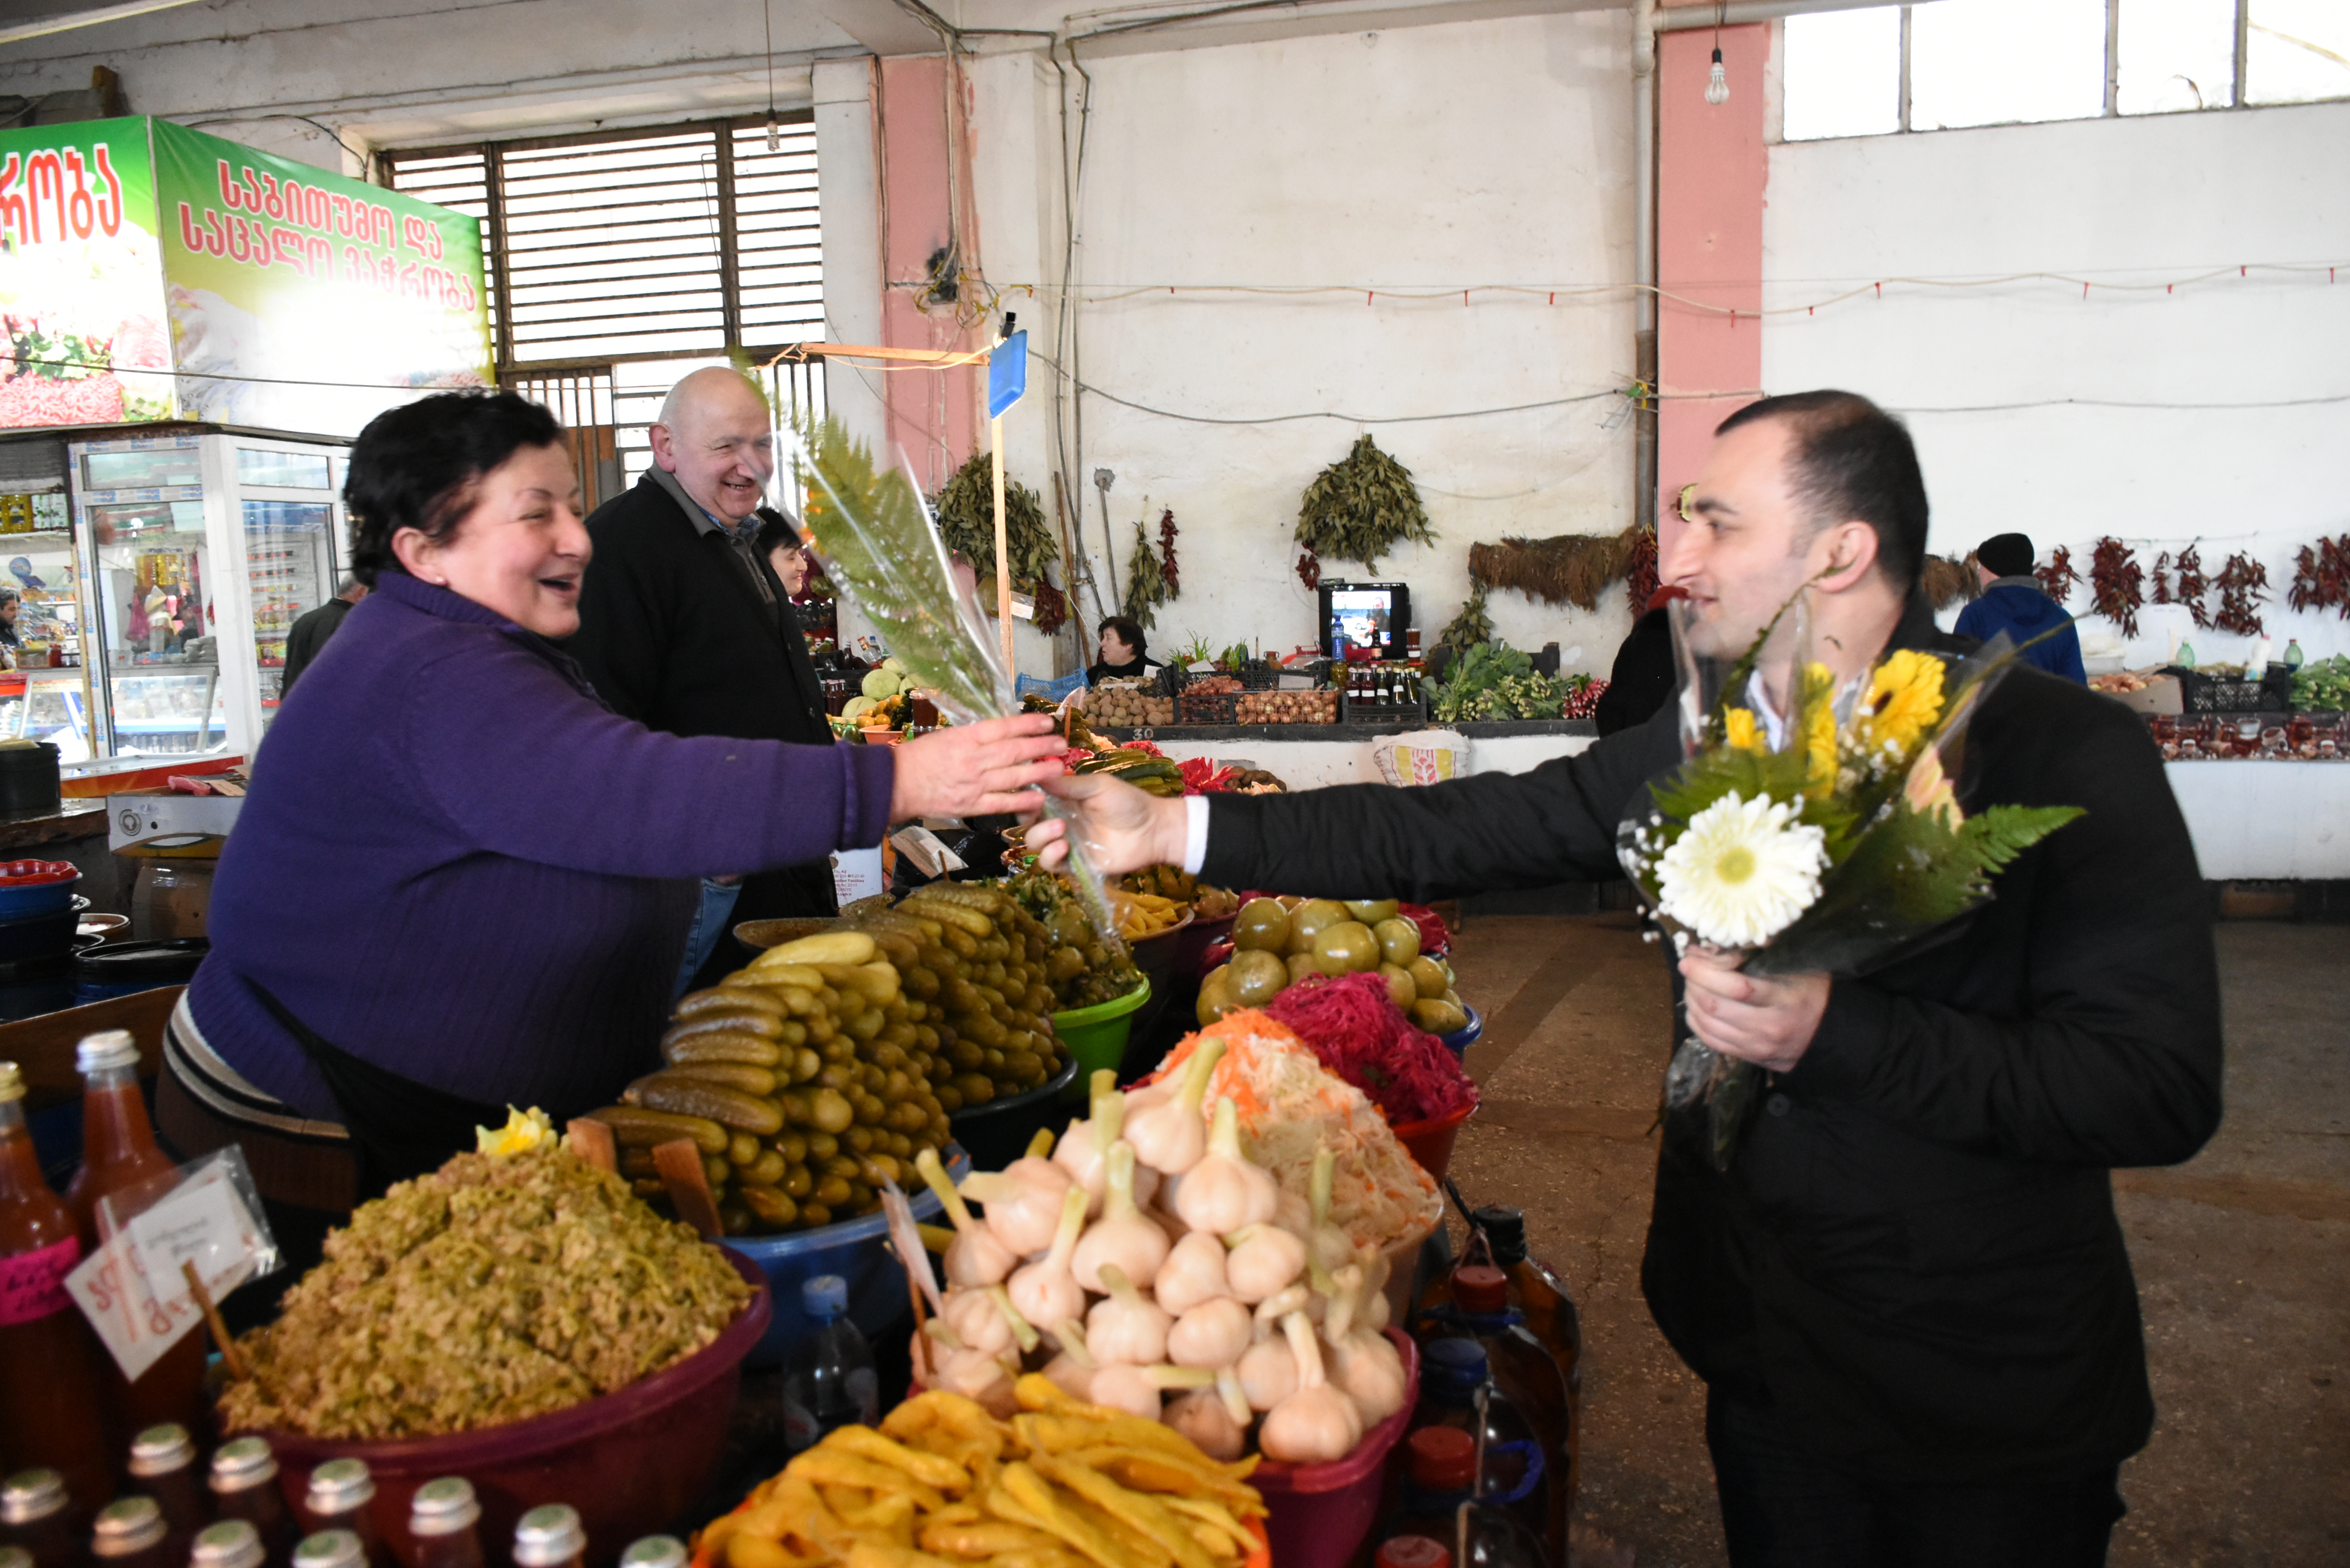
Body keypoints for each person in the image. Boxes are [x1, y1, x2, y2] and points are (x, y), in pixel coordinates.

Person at [1036, 391, 2221, 1568]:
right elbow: (1460, 830)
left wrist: (1832, 1029)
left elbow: (2154, 1085)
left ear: (1841, 549)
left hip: (1977, 1383)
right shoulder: (1715, 740)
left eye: (1717, 523)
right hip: (1758, 1343)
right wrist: (1178, 830)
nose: (1678, 559)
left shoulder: (2061, 757)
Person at [157, 390, 1065, 1253]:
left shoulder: (477, 646)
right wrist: (900, 777)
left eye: (572, 506)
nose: (575, 539)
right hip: (318, 1112)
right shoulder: (431, 673)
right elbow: (638, 789)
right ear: (423, 550)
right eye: (535, 513)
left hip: (438, 1112)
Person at [565, 368, 839, 991]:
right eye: (725, 446)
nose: (750, 465)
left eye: (762, 444)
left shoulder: (735, 538)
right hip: (707, 902)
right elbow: (605, 737)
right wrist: (715, 874)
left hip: (782, 867)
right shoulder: (619, 550)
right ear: (664, 446)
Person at [1955, 532, 2087, 682]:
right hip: (2048, 706)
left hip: (1994, 706)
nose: (1979, 572)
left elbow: (1958, 679)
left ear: (1995, 570)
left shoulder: (1975, 615)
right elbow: (2078, 686)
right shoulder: (2061, 618)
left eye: (1982, 566)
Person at [1593, 583, 1686, 736]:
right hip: (1678, 745)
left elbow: (1610, 708)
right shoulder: (1691, 647)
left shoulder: (1633, 644)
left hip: (1634, 743)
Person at [278, 577, 367, 698]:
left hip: (297, 705)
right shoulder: (355, 624)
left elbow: (291, 669)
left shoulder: (305, 620)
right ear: (361, 592)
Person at [1088, 616, 1158, 684]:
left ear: (1128, 644)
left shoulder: (1155, 674)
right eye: (1103, 638)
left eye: (1109, 638)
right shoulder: (1094, 674)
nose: (1102, 643)